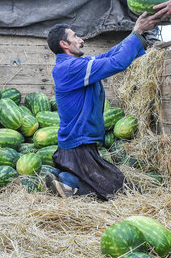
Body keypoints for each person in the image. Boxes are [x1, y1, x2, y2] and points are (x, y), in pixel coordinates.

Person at [44, 11, 162, 199]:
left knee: (113, 184)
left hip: (76, 145)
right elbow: (116, 63)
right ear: (64, 44)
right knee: (121, 190)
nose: (81, 40)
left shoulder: (76, 64)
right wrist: (138, 32)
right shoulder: (71, 68)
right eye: (75, 36)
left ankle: (64, 177)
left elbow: (109, 55)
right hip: (78, 146)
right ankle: (68, 182)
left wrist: (136, 34)